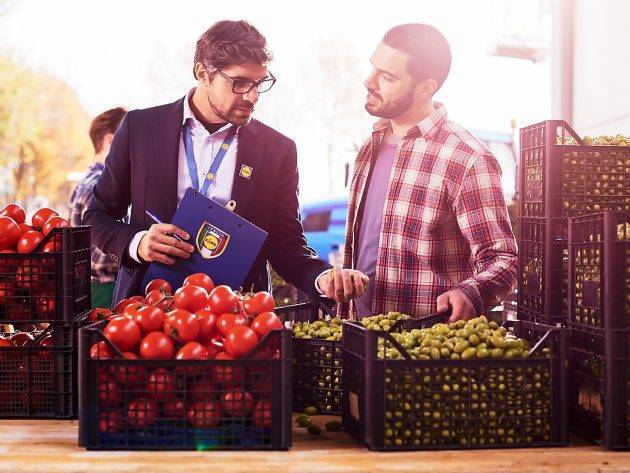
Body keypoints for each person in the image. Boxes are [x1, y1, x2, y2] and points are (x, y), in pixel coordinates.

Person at [84, 20, 366, 307]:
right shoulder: (140, 128)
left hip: (238, 317)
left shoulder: (278, 150)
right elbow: (97, 215)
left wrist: (322, 278)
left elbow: (286, 244)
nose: (253, 96)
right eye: (240, 83)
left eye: (260, 83)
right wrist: (138, 242)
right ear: (202, 73)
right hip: (147, 309)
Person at [342, 24, 518, 321]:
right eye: (374, 68)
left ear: (426, 87)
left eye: (387, 76)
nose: (368, 81)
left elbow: (504, 259)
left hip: (421, 352)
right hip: (359, 337)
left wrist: (470, 292)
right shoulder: (368, 147)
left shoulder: (467, 158)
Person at [69, 107, 127, 308]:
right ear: (111, 142)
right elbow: (99, 256)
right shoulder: (99, 184)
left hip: (91, 287)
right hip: (103, 289)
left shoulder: (86, 181)